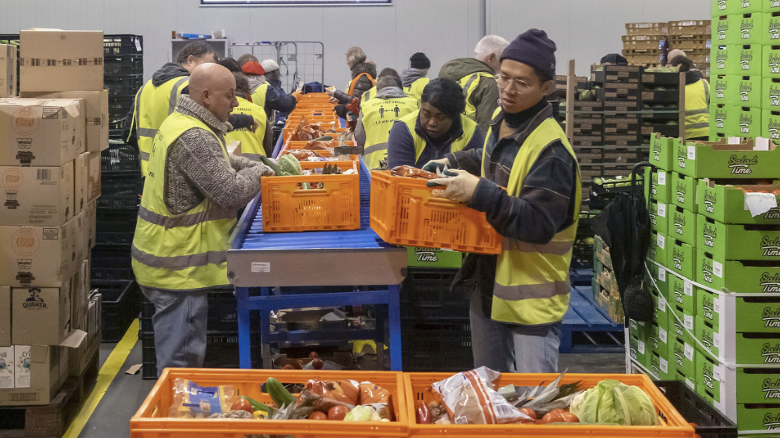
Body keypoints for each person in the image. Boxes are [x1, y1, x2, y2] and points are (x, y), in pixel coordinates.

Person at [424, 29, 581, 374]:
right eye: (503, 78)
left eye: (521, 83)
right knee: (491, 396)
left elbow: (538, 223)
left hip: (530, 303)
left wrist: (478, 192)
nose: (508, 90)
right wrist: (457, 161)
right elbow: (495, 160)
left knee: (531, 407)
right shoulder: (504, 122)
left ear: (546, 88)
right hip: (489, 284)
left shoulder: (552, 152)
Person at [131, 64, 274, 376]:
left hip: (167, 258)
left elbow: (216, 161)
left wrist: (253, 161)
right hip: (178, 266)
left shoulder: (181, 122)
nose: (236, 103)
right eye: (229, 96)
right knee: (181, 363)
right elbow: (229, 192)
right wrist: (259, 172)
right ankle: (175, 417)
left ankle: (178, 410)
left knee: (182, 355)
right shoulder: (194, 135)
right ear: (207, 96)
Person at [129, 41, 216, 175]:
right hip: (179, 174)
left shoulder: (144, 88)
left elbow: (128, 134)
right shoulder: (188, 87)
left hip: (150, 173)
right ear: (190, 60)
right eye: (207, 66)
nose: (210, 72)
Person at [386, 78, 484, 169]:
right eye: (426, 114)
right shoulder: (403, 130)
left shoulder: (472, 133)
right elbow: (400, 179)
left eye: (440, 117)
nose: (432, 123)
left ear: (455, 115)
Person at [439, 35, 509, 132]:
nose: (503, 65)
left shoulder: (450, 73)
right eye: (502, 60)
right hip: (470, 142)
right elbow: (486, 126)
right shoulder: (487, 82)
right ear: (491, 57)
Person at [355, 70, 419, 169]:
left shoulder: (366, 106)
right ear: (399, 88)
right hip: (406, 163)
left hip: (374, 163)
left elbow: (359, 137)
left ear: (377, 90)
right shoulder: (413, 104)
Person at [226, 72, 273, 160]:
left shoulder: (221, 111)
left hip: (228, 160)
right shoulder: (258, 110)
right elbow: (268, 144)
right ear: (248, 92)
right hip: (257, 161)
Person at [328, 47, 377, 118]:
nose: (347, 62)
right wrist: (340, 100)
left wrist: (336, 93)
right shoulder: (361, 76)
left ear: (353, 59)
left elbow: (357, 102)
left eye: (348, 59)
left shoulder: (363, 77)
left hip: (362, 120)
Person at [670, 55, 710, 141]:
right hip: (707, 132)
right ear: (689, 68)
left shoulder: (674, 88)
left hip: (685, 134)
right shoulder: (704, 83)